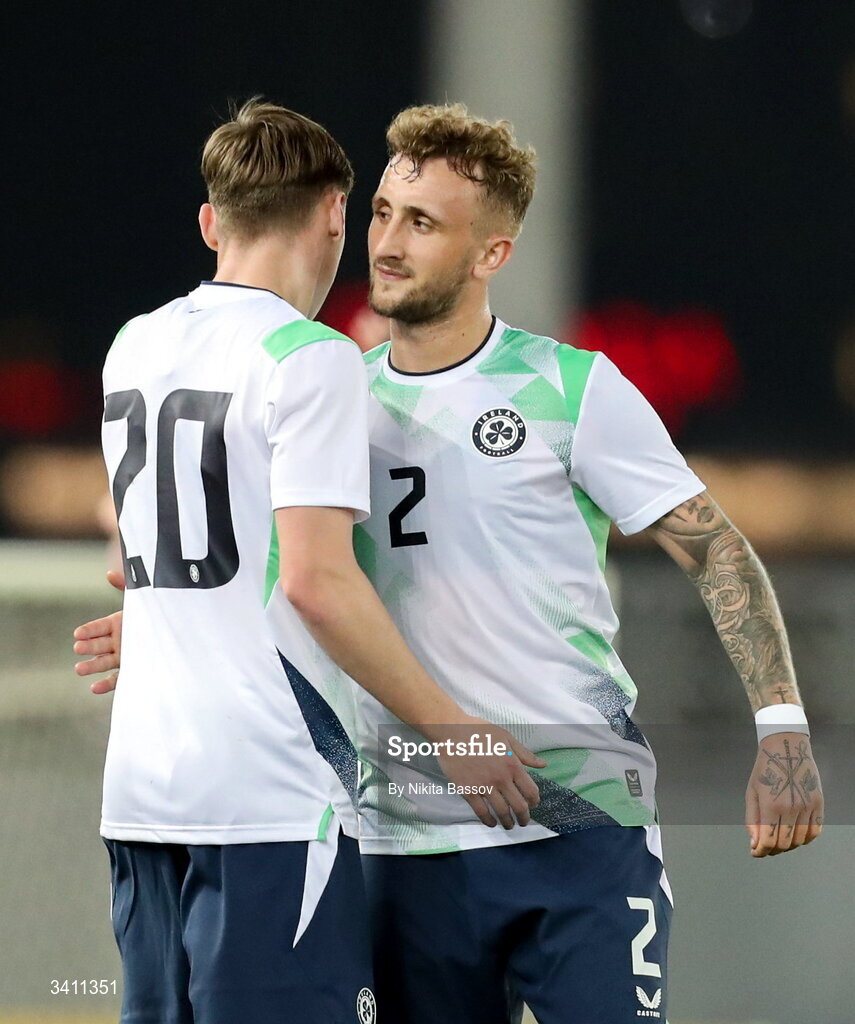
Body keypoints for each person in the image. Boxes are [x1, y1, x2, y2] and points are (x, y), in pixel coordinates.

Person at [77, 103, 824, 1024]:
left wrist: (780, 724)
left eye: (421, 223)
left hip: (578, 824)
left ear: (491, 255)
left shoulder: (572, 388)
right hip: (398, 837)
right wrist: (169, 627)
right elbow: (298, 582)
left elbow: (715, 550)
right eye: (382, 211)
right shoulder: (329, 381)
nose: (386, 244)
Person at [82, 98, 543, 1024]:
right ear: (336, 212)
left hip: (139, 792)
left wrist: (176, 627)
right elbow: (314, 579)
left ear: (212, 221)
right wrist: (453, 731)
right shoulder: (310, 358)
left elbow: (181, 552)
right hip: (270, 797)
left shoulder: (133, 343)